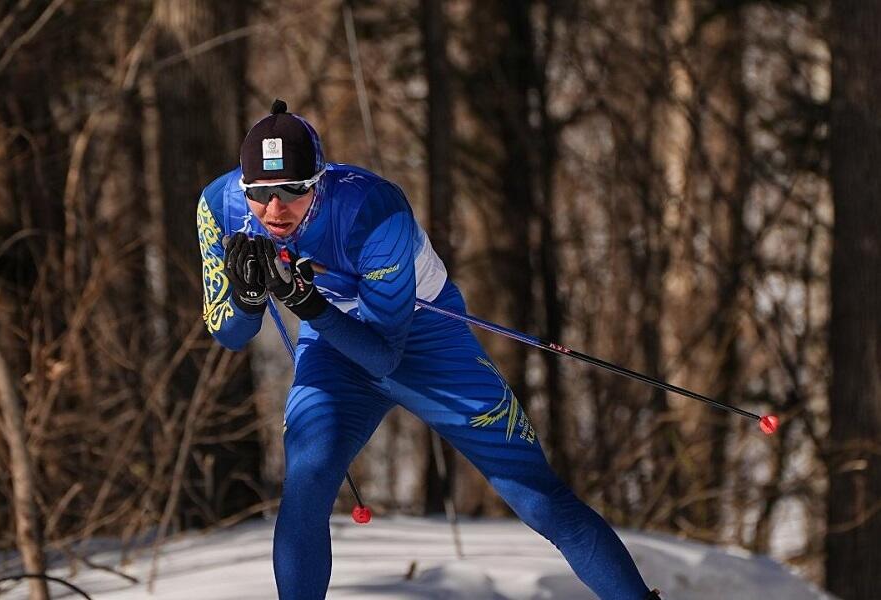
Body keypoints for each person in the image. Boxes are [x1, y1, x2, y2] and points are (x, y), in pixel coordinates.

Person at [197, 99, 659, 600]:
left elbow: (383, 357)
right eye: (261, 194)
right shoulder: (219, 207)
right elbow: (231, 337)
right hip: (331, 344)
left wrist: (305, 302)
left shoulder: (373, 211)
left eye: (294, 190)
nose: (275, 209)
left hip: (422, 337)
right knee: (306, 483)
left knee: (537, 497)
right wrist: (246, 302)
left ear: (321, 180)